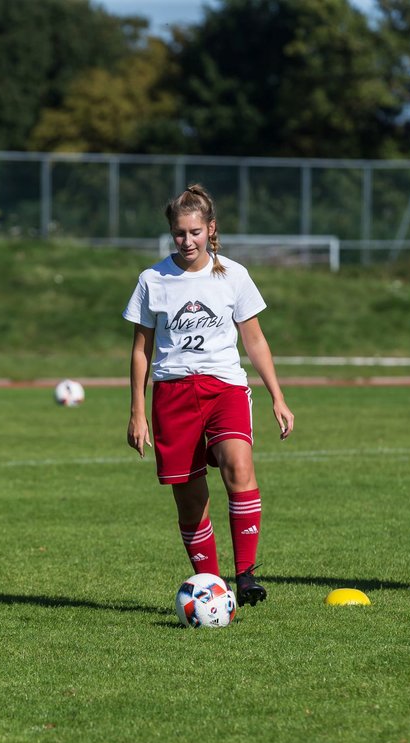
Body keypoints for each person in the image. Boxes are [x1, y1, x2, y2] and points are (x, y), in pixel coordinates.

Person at [124, 184, 294, 606]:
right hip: (172, 394)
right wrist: (137, 413)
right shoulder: (152, 280)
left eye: (195, 232)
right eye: (179, 233)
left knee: (238, 465)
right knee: (190, 497)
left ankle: (246, 574)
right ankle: (210, 587)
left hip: (225, 387)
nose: (187, 241)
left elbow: (254, 341)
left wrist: (277, 396)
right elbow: (141, 349)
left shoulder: (234, 275)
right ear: (171, 233)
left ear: (210, 229)